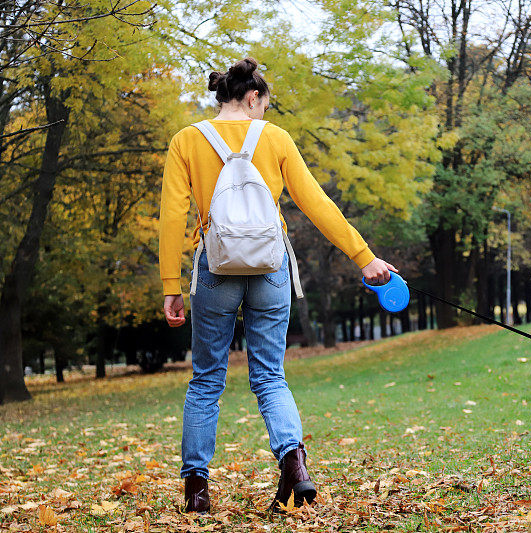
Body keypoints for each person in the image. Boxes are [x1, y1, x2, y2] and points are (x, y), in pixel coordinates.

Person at [158, 57, 397, 512]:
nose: (264, 112)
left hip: (216, 268)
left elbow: (172, 217)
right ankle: (294, 462)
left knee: (207, 379)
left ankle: (197, 493)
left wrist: (171, 283)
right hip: (270, 269)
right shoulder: (276, 138)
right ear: (253, 98)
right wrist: (364, 258)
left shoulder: (185, 141)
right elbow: (316, 202)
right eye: (264, 104)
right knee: (270, 377)